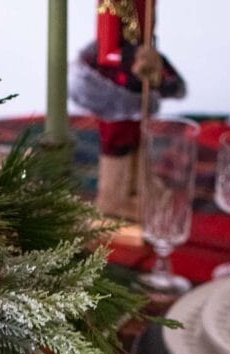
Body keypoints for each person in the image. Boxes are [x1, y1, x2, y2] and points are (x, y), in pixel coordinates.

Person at [70, 0, 186, 218]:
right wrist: (136, 58)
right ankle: (113, 197)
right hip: (117, 82)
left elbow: (147, 32)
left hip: (138, 76)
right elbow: (108, 51)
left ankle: (139, 185)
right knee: (119, 140)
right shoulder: (112, 4)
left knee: (139, 136)